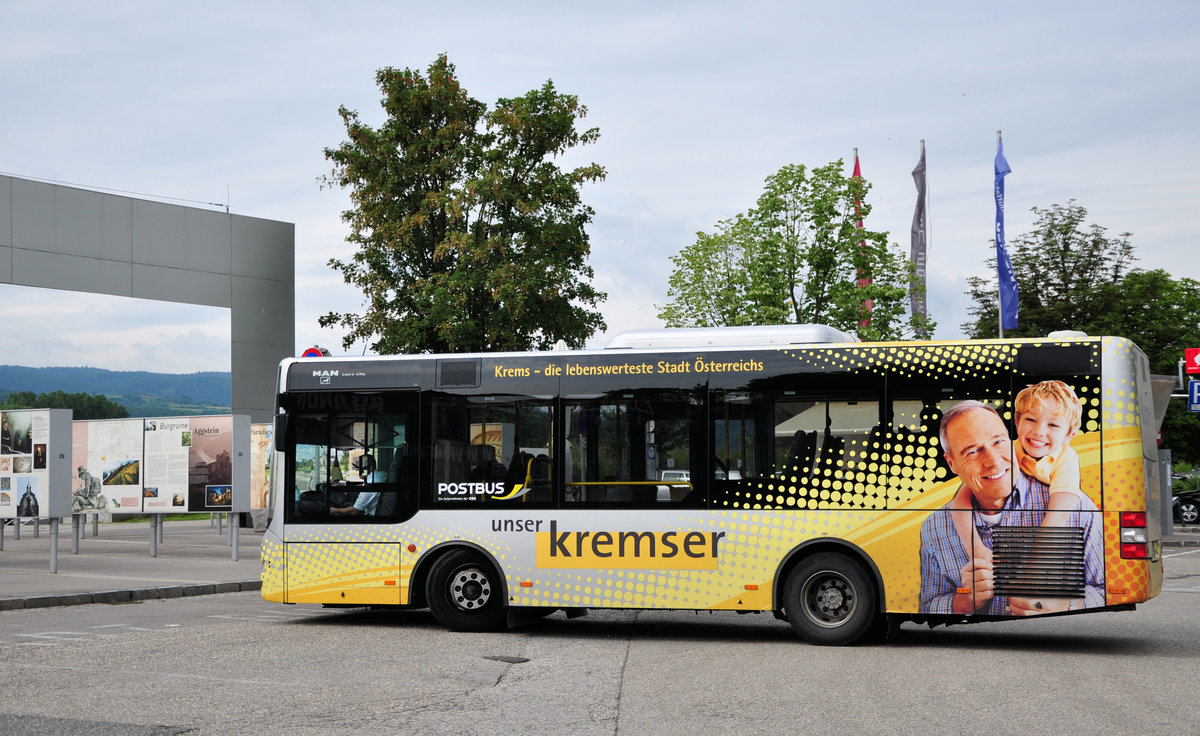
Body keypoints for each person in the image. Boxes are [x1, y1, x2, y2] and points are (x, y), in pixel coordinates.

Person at [919, 401, 1104, 615]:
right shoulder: (935, 528)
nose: (993, 461)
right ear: (951, 463)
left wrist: (1064, 605)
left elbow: (1108, 589)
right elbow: (929, 605)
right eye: (972, 451)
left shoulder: (1075, 507)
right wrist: (963, 601)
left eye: (998, 442)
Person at [947, 381, 1090, 559]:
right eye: (1031, 420)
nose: (1039, 431)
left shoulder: (1066, 460)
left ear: (1069, 435)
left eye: (1053, 425)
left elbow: (1059, 514)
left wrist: (1035, 563)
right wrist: (976, 549)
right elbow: (960, 502)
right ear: (1016, 421)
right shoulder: (1008, 450)